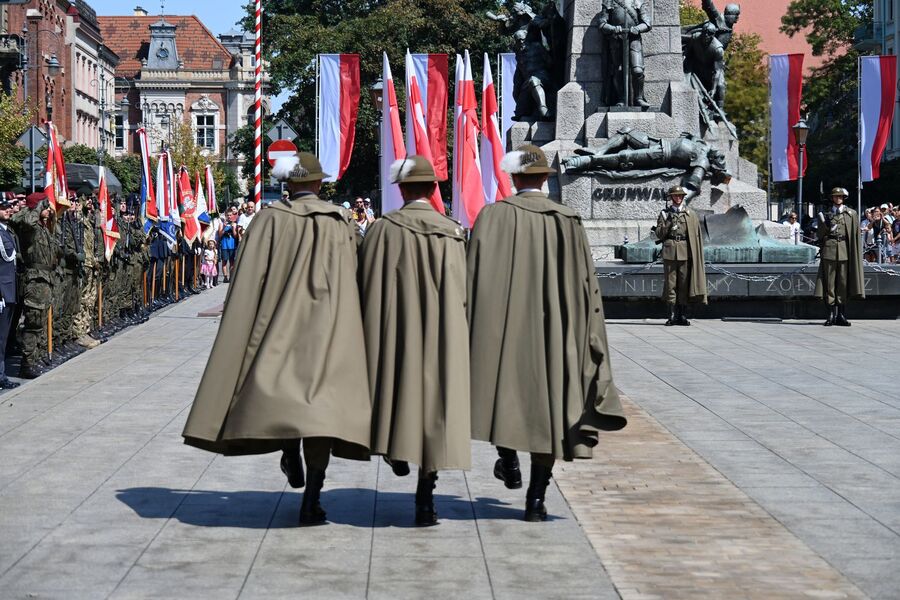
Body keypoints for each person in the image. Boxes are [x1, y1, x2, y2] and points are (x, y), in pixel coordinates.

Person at [182, 151, 372, 527]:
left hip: (278, 330)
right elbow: (357, 273)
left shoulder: (268, 221)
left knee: (283, 399)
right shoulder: (340, 222)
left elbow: (248, 279)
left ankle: (289, 452)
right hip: (329, 332)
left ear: (288, 185)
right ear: (320, 184)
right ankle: (313, 500)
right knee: (321, 415)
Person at [467, 145, 627, 522]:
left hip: (502, 332)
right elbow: (586, 285)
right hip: (554, 333)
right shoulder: (566, 220)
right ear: (544, 178)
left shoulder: (491, 217)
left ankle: (507, 458)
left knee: (499, 399)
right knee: (551, 412)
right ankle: (535, 501)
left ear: (513, 177)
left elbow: (472, 279)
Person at [360, 156, 469, 526]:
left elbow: (366, 286)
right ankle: (427, 492)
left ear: (402, 189)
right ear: (434, 189)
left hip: (394, 333)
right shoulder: (452, 232)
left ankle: (396, 449)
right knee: (435, 411)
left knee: (396, 395)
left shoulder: (381, 230)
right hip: (441, 336)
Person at [10, 193, 58, 379]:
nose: (48, 209)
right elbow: (26, 222)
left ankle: (34, 359)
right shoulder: (29, 226)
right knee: (33, 323)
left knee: (39, 323)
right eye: (44, 206)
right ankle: (26, 364)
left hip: (45, 280)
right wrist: (37, 207)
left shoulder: (44, 228)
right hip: (34, 280)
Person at [655, 185, 708, 325]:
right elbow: (659, 234)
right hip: (670, 252)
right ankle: (672, 315)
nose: (678, 198)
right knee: (670, 284)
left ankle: (682, 314)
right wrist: (668, 223)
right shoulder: (664, 214)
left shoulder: (690, 214)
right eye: (675, 196)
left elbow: (695, 236)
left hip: (685, 252)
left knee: (684, 284)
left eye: (680, 196)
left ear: (683, 198)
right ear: (671, 197)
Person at [815, 187, 864, 326]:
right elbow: (819, 235)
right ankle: (831, 314)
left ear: (844, 198)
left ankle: (841, 314)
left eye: (840, 197)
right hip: (829, 251)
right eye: (836, 196)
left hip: (844, 251)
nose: (838, 199)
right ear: (832, 198)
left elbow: (854, 236)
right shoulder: (826, 214)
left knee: (842, 283)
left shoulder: (851, 214)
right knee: (829, 284)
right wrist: (826, 226)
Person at [0, 195, 20, 389]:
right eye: (3, 207)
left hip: (9, 290)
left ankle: (1, 374)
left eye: (8, 207)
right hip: (2, 293)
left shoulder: (7, 231)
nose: (7, 210)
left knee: (3, 337)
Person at [218, 210, 238, 282]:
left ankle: (231, 277)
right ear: (225, 216)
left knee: (232, 262)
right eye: (228, 215)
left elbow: (236, 236)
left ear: (233, 216)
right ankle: (225, 277)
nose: (229, 217)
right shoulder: (222, 224)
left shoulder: (235, 224)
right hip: (224, 246)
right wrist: (224, 227)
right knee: (224, 262)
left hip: (232, 246)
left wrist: (233, 229)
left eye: (230, 215)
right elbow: (220, 235)